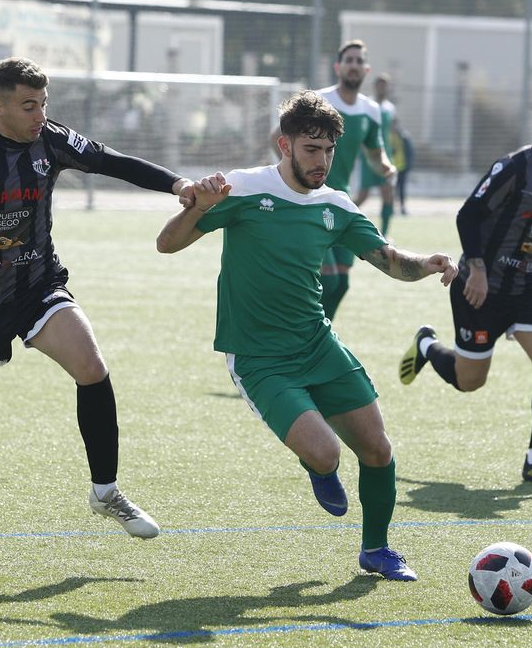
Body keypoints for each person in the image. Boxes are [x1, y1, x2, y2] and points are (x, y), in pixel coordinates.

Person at [155, 91, 457, 581]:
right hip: (259, 359)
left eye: (330, 151)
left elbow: (390, 261)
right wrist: (197, 208)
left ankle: (377, 550)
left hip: (317, 344)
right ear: (285, 145)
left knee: (378, 449)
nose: (323, 161)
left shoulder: (334, 204)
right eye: (312, 149)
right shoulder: (244, 188)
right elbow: (166, 244)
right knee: (327, 453)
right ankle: (317, 465)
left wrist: (428, 264)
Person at [0, 57, 195, 537]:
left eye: (43, 103)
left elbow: (112, 161)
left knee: (92, 367)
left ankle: (105, 491)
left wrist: (177, 184)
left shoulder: (50, 139)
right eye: (27, 105)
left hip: (36, 284)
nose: (39, 115)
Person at [398, 81, 532, 486]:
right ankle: (426, 345)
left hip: (527, 287)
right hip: (480, 285)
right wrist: (477, 268)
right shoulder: (513, 167)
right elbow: (467, 215)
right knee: (470, 382)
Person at [315, 40, 395, 319]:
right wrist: (298, 177)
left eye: (359, 61)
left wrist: (385, 167)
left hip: (342, 202)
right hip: (313, 200)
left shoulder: (370, 110)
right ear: (338, 67)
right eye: (349, 60)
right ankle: (305, 338)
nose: (354, 65)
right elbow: (277, 137)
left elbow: (375, 153)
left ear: (367, 69)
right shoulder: (319, 101)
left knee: (342, 283)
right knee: (329, 281)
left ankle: (317, 340)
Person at [351, 73, 410, 235]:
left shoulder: (390, 108)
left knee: (388, 194)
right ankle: (342, 221)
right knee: (363, 196)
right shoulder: (367, 105)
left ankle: (384, 235)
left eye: (385, 85)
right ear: (374, 86)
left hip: (386, 157)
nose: (382, 88)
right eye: (379, 84)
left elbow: (390, 130)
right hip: (369, 157)